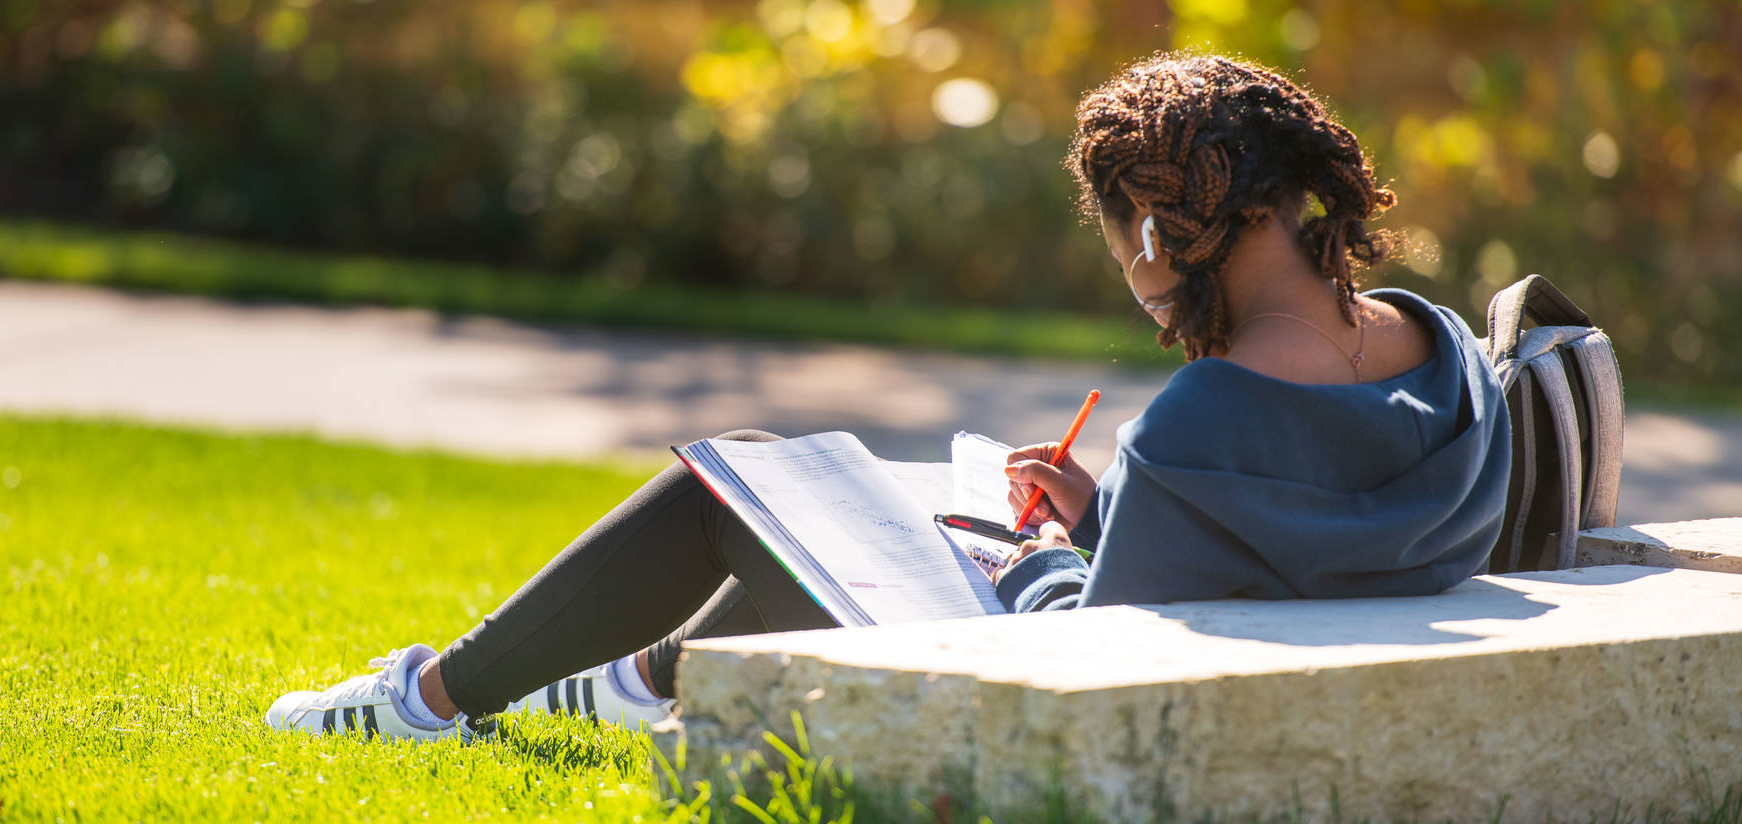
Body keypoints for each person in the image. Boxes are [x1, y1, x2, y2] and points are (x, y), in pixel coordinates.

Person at [264, 53, 1511, 742]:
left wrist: (1028, 552)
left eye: (1124, 245)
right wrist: (1096, 511)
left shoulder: (1203, 418)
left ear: (1154, 232)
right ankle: (649, 677)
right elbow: (1284, 534)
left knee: (746, 478)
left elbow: (1101, 646)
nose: (1134, 281)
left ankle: (424, 700)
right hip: (1310, 652)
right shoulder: (1444, 351)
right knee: (822, 507)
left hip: (1057, 693)